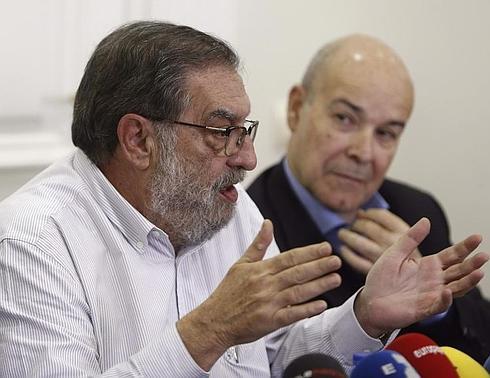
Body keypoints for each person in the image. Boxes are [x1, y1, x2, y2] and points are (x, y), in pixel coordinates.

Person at [0, 22, 487, 377]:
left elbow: (276, 357)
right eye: (221, 131)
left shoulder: (228, 212)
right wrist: (205, 333)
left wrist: (363, 315)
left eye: (246, 130)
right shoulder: (31, 241)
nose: (249, 157)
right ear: (138, 140)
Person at [247, 34, 490, 363]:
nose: (363, 153)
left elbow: (481, 341)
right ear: (295, 109)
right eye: (345, 119)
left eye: (386, 133)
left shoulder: (418, 212)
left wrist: (433, 302)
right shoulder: (250, 228)